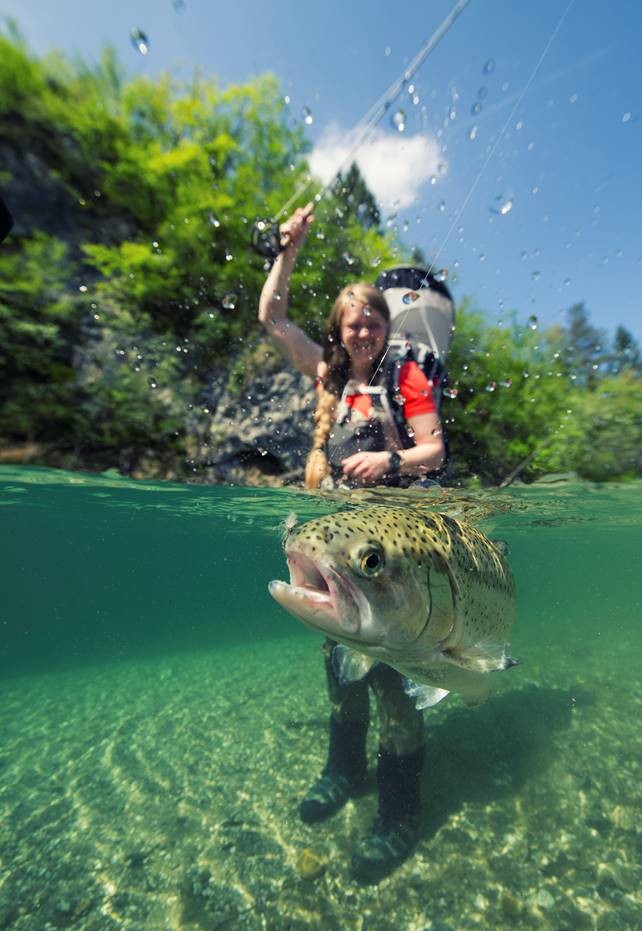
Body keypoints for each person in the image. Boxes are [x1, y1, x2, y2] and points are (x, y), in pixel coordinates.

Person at [258, 202, 448, 883]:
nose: (362, 325)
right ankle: (343, 769)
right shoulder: (329, 376)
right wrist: (288, 251)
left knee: (394, 687)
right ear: (338, 329)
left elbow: (434, 448)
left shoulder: (408, 377)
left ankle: (400, 808)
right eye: (351, 318)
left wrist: (390, 463)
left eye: (372, 315)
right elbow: (273, 320)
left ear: (386, 325)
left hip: (394, 552)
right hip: (341, 551)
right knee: (342, 676)